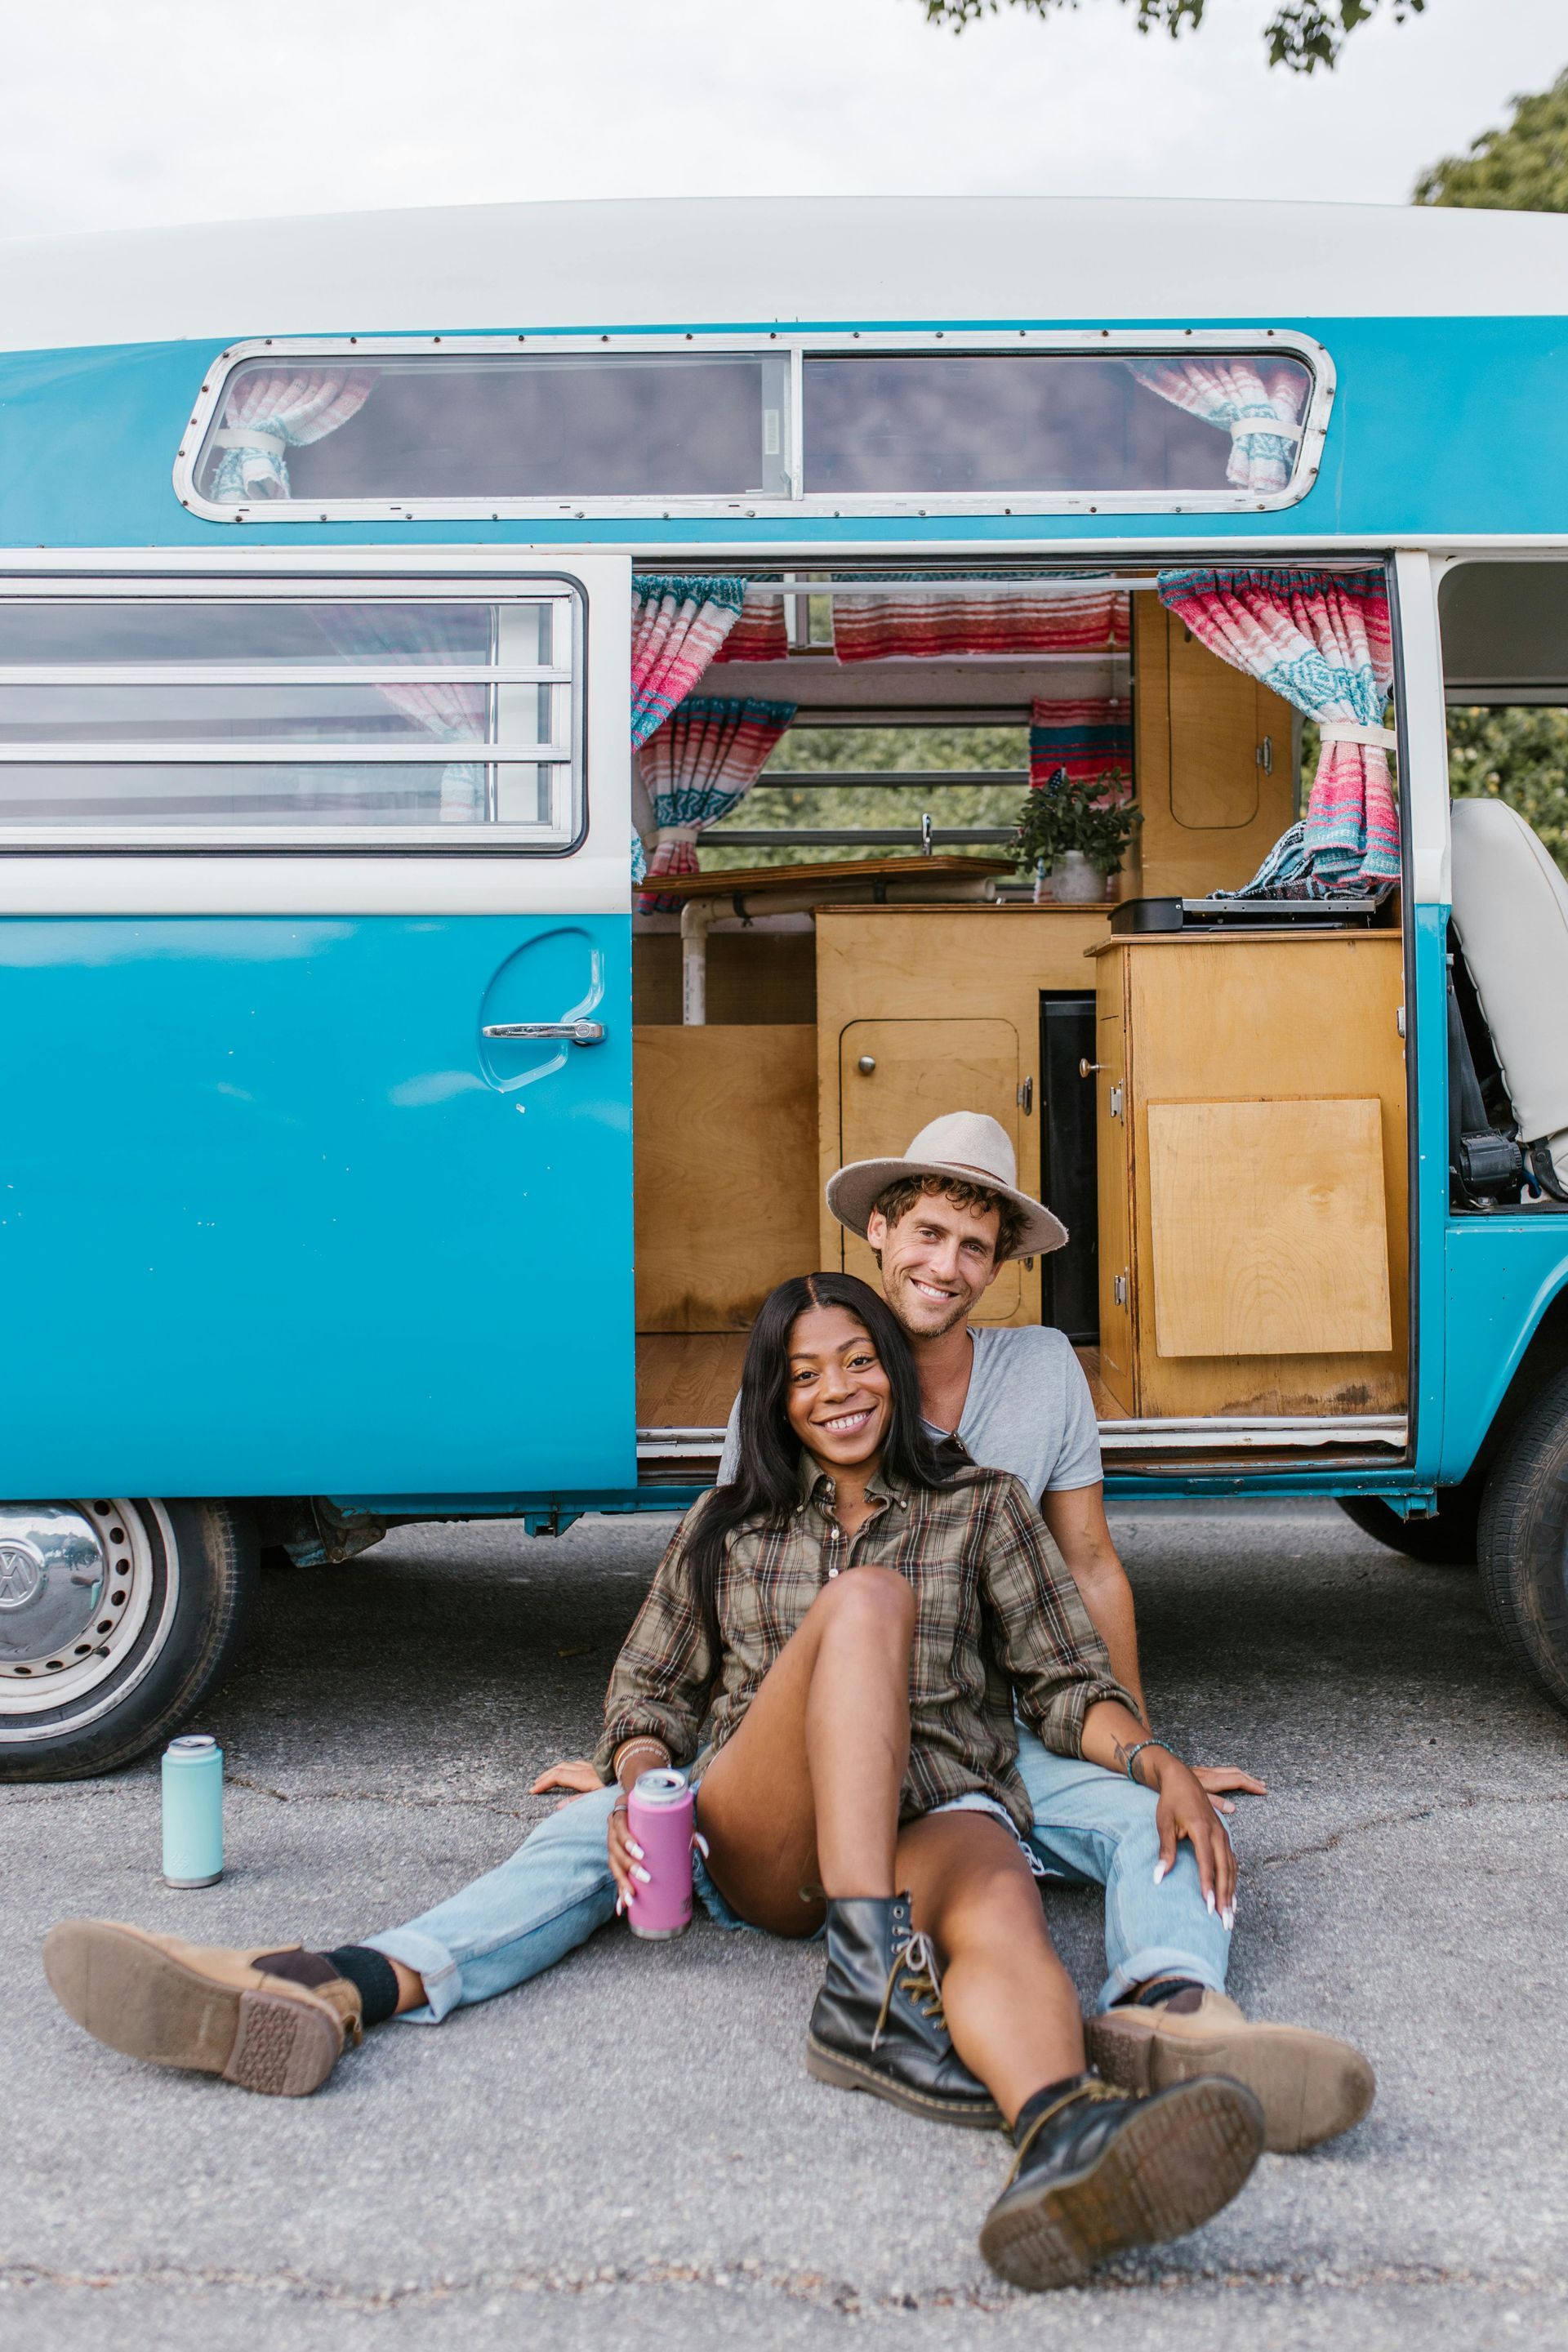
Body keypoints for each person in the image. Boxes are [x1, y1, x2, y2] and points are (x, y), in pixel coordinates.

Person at [47, 1274, 1267, 2291]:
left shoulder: (982, 1506)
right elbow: (649, 1700)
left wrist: (1151, 1758)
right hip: (768, 1831)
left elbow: (1064, 1679)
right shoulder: (728, 1526)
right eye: (805, 1374)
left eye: (859, 1361)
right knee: (858, 1612)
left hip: (937, 1809)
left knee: (999, 1901)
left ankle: (1059, 2135)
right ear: (773, 1400)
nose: (838, 1389)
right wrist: (637, 1781)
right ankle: (854, 1991)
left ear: (892, 1370)